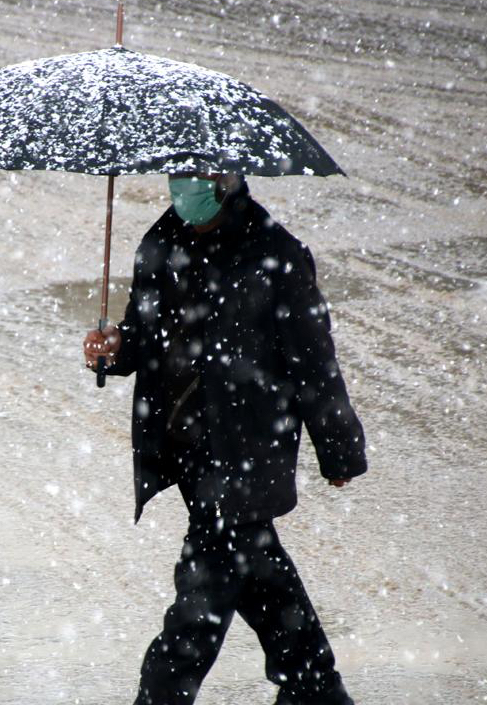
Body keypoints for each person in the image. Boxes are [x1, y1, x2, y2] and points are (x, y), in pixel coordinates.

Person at [82, 171, 367, 705]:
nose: (185, 185)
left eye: (199, 174)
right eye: (178, 174)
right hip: (185, 446)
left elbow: (314, 362)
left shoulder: (275, 254)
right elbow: (144, 339)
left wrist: (339, 445)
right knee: (261, 577)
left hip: (249, 449)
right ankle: (317, 693)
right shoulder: (160, 245)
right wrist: (114, 348)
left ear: (229, 178)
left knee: (199, 607)